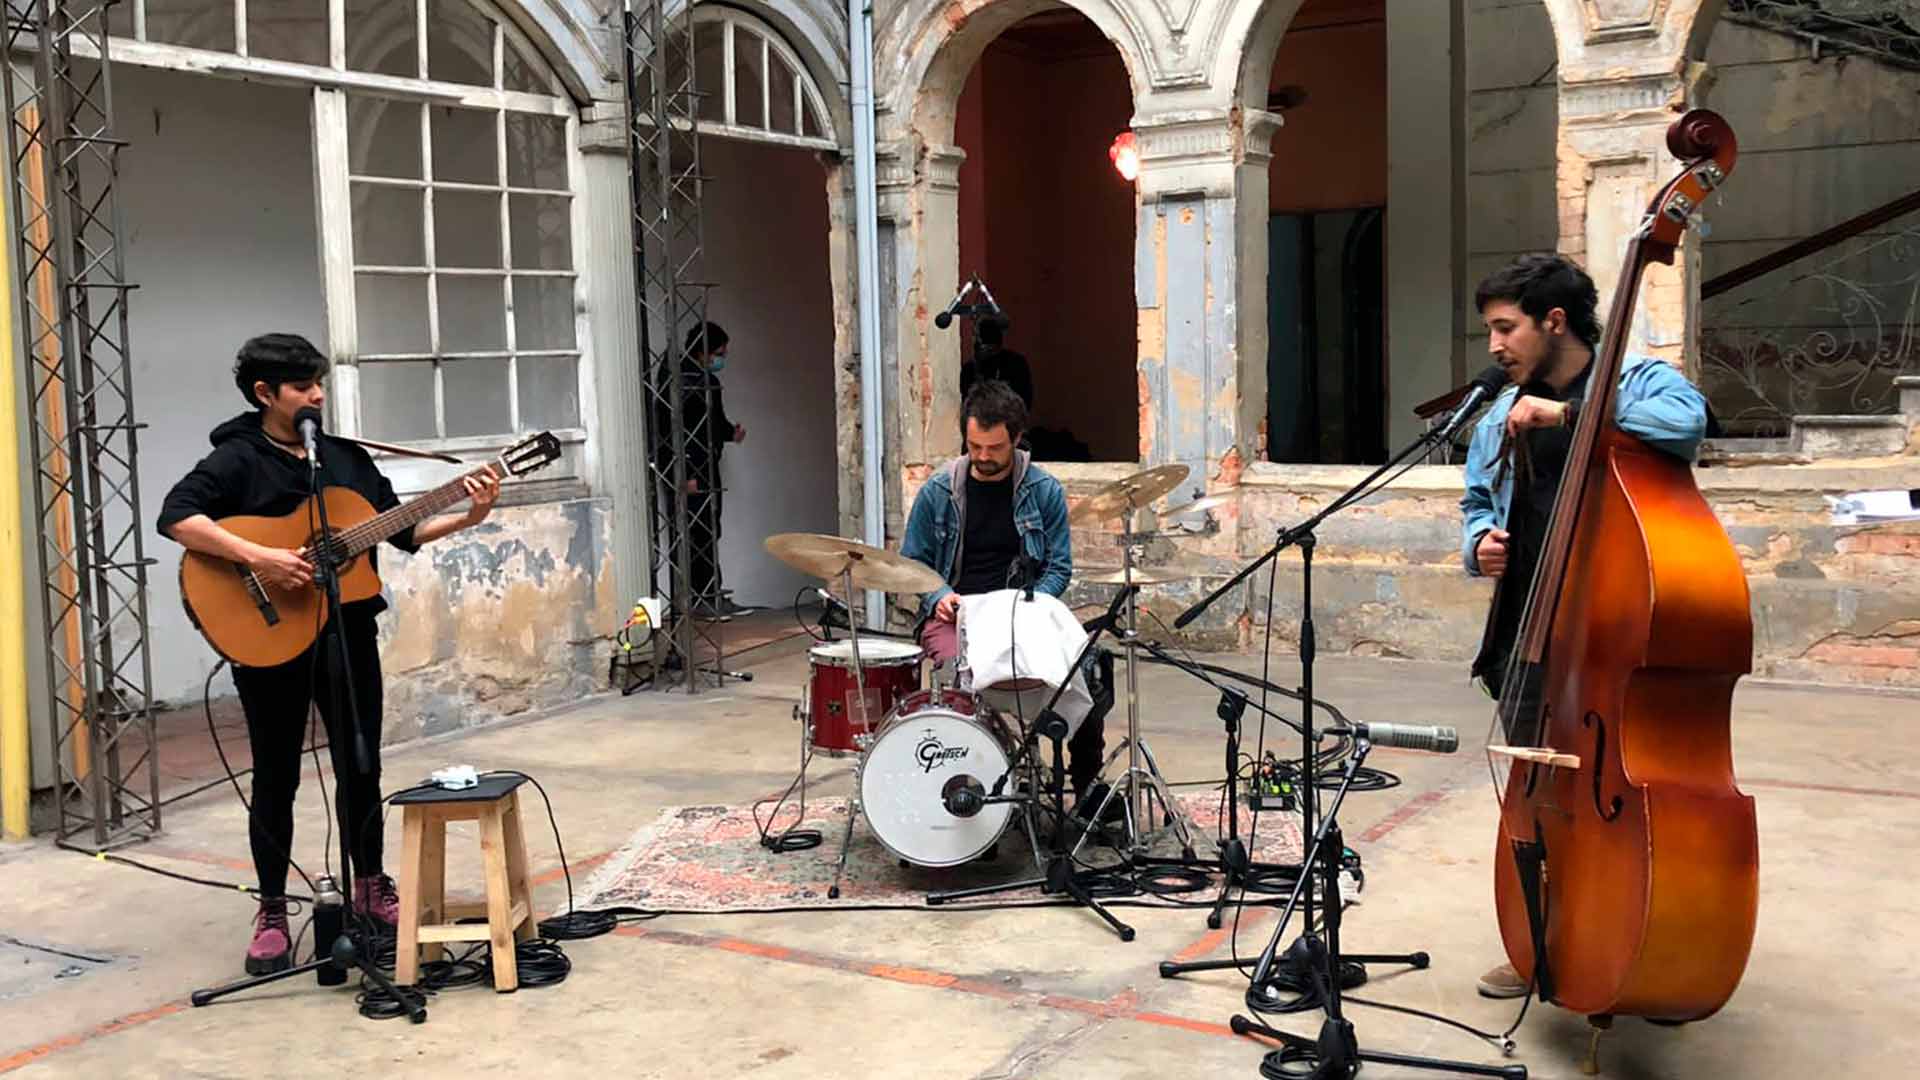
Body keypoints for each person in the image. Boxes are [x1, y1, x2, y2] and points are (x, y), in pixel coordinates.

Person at [157, 333, 500, 975]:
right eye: (303, 386)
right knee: (277, 773)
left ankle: (368, 883)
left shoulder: (344, 459)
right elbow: (177, 518)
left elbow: (403, 529)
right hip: (268, 635)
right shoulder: (236, 460)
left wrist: (468, 516)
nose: (317, 395)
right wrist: (263, 557)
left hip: (346, 630)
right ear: (265, 394)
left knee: (361, 761)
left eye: (320, 382)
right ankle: (270, 909)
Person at [1459, 254, 1709, 998]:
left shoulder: (1636, 382)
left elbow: (1689, 422)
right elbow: (1477, 500)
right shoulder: (1499, 409)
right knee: (1539, 793)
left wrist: (1570, 415)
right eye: (1491, 331)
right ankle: (1542, 941)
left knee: (1637, 796)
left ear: (1554, 321)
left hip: (1615, 632)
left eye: (1506, 328)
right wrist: (1479, 543)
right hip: (1532, 627)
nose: (1496, 346)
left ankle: (1644, 936)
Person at [900, 379, 1109, 805]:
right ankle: (964, 785)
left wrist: (1031, 606)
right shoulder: (938, 491)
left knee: (1086, 668)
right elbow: (911, 566)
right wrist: (937, 595)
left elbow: (1058, 567)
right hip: (957, 615)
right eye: (974, 446)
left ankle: (1086, 787)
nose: (983, 457)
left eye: (995, 448)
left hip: (1025, 610)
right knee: (955, 673)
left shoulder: (1044, 491)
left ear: (1016, 438)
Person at [650, 321, 747, 618]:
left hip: (696, 466)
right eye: (719, 352)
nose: (722, 358)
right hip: (694, 469)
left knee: (702, 531)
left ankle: (702, 595)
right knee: (698, 532)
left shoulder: (679, 378)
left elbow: (710, 424)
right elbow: (680, 431)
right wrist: (688, 474)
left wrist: (730, 433)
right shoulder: (692, 383)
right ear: (704, 353)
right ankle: (700, 597)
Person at [960, 316, 1034, 413]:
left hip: (1009, 421)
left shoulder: (1015, 363)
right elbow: (967, 404)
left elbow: (1024, 401)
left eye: (989, 348)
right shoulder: (969, 369)